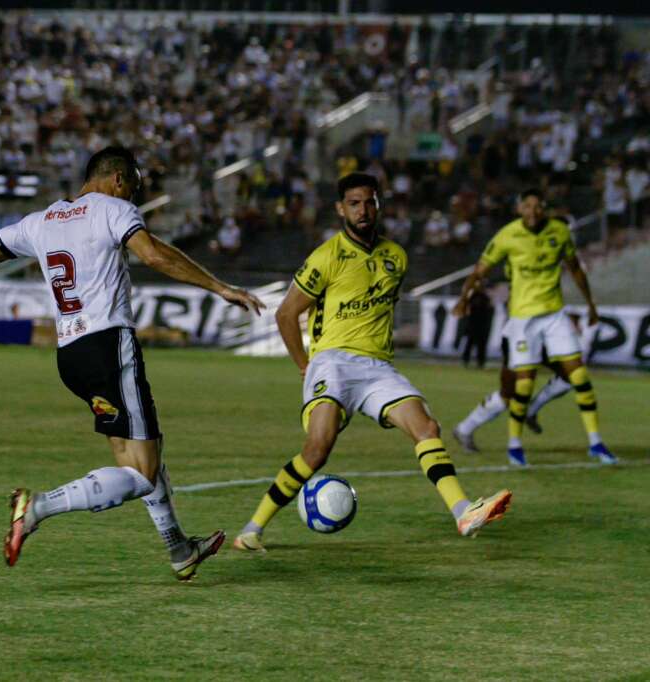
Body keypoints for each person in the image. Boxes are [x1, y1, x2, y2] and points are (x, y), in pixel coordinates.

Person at [0, 146, 264, 580]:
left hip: (72, 356)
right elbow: (154, 255)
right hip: (109, 346)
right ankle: (38, 507)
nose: (134, 198)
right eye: (134, 188)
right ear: (118, 179)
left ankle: (180, 550)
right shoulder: (112, 210)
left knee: (140, 452)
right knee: (140, 471)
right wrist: (220, 287)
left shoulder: (41, 222)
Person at [232, 173, 512, 553]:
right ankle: (253, 528)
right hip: (332, 363)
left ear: (379, 205)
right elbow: (286, 315)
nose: (363, 210)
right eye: (354, 203)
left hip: (378, 367)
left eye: (369, 202)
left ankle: (463, 511)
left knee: (426, 427)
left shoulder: (396, 257)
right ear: (340, 208)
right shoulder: (326, 256)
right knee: (317, 449)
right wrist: (305, 365)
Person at [452, 188, 614, 466]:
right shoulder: (508, 235)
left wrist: (591, 305)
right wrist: (464, 298)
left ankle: (550, 420)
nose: (534, 210)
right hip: (520, 322)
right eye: (527, 205)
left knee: (572, 375)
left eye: (539, 206)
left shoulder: (559, 232)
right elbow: (480, 270)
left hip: (552, 316)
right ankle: (465, 428)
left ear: (545, 209)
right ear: (519, 208)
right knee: (511, 392)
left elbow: (576, 268)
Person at [453, 313, 598, 452]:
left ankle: (531, 410)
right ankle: (464, 429)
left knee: (571, 376)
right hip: (521, 336)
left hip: (545, 336)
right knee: (509, 395)